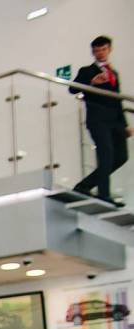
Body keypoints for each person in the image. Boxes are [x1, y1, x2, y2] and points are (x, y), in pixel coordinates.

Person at [72, 36, 132, 206]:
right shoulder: (87, 71)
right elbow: (72, 88)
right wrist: (91, 82)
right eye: (96, 50)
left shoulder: (114, 73)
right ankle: (104, 194)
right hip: (98, 120)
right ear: (93, 52)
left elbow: (117, 100)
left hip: (116, 121)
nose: (100, 53)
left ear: (109, 49)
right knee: (106, 155)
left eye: (103, 49)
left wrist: (125, 125)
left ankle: (84, 185)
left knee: (121, 157)